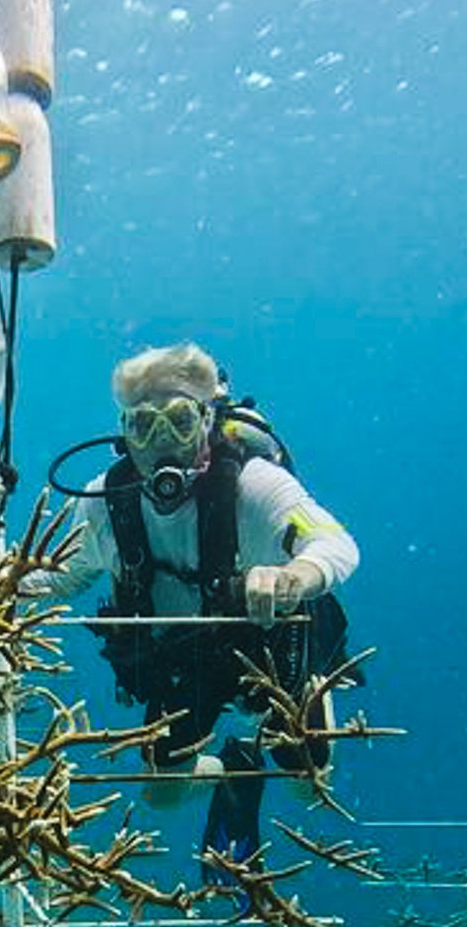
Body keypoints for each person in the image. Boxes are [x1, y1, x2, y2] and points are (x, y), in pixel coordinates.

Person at [47, 342, 359, 868]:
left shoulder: (254, 484)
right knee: (162, 795)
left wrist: (292, 576)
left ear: (207, 421)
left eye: (179, 421)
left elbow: (335, 543)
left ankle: (308, 695)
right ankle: (230, 770)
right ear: (124, 434)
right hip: (183, 659)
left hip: (265, 646)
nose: (160, 443)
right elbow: (59, 578)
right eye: (143, 425)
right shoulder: (105, 504)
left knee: (308, 783)